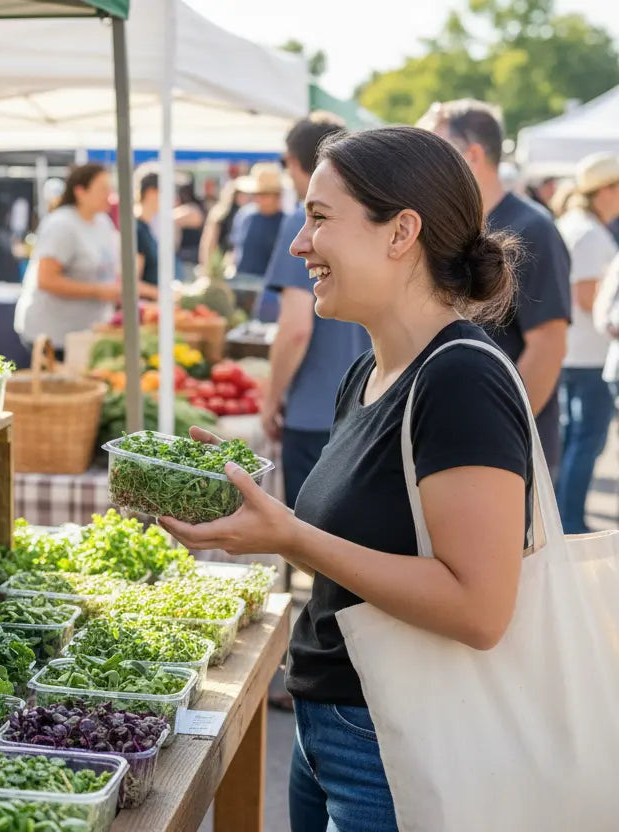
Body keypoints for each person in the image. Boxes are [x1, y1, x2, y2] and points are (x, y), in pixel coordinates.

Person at [159, 126, 532, 831]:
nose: (299, 244)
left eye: (319, 218)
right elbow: (360, 535)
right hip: (331, 724)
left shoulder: (461, 380)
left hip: (396, 741)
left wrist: (290, 538)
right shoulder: (366, 371)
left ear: (401, 233)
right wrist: (239, 495)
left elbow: (479, 609)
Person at [418, 99, 571, 479]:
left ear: (471, 154)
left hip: (505, 452)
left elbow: (548, 345)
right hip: (453, 440)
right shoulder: (457, 226)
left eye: (438, 150)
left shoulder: (532, 229)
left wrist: (503, 432)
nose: (425, 165)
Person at [261, 113, 369, 509]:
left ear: (292, 161)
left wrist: (271, 400)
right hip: (362, 407)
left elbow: (294, 329)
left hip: (313, 412)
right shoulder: (358, 220)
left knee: (314, 545)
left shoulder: (299, 221)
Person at [14, 163, 154, 351]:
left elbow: (115, 272)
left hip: (89, 331)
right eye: (103, 189)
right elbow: (46, 280)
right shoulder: (61, 225)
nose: (110, 195)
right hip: (55, 337)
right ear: (80, 191)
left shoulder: (102, 222)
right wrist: (98, 291)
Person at [553, 153, 619, 533]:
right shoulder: (591, 233)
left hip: (573, 350)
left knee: (573, 439)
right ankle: (571, 521)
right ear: (605, 191)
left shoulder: (574, 224)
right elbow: (587, 297)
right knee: (586, 441)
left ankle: (566, 518)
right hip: (590, 353)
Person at [230, 162, 286, 322]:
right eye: (257, 194)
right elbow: (236, 249)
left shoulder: (286, 223)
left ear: (277, 196)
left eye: (264, 194)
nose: (259, 199)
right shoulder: (244, 216)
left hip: (269, 293)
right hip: (240, 286)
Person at [134, 171, 161, 287]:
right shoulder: (137, 230)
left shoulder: (146, 227)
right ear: (151, 193)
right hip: (146, 303)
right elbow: (133, 281)